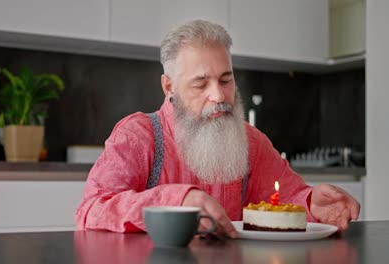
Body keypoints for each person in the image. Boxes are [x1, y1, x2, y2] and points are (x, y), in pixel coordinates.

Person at [75, 20, 360, 237]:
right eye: (201, 84)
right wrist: (178, 200)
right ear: (169, 86)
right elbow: (91, 211)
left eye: (226, 80)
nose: (219, 96)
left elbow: (284, 198)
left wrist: (312, 205)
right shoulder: (138, 136)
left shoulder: (252, 142)